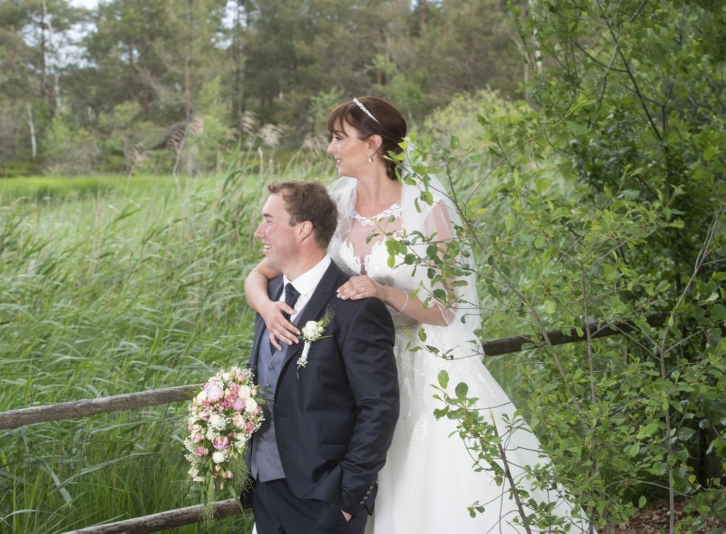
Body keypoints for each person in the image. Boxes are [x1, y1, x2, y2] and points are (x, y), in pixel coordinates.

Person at [245, 97, 592, 532]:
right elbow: (263, 272)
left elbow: (446, 308)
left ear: (372, 144)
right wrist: (266, 307)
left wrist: (384, 291)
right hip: (346, 370)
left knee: (419, 485)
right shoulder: (335, 202)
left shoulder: (428, 208)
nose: (331, 148)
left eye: (338, 138)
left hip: (420, 364)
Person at [243, 180, 400, 534]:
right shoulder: (268, 296)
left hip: (323, 501)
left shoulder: (356, 308)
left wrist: (346, 497)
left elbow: (379, 407)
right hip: (265, 491)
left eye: (269, 220)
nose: (259, 231)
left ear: (303, 229)